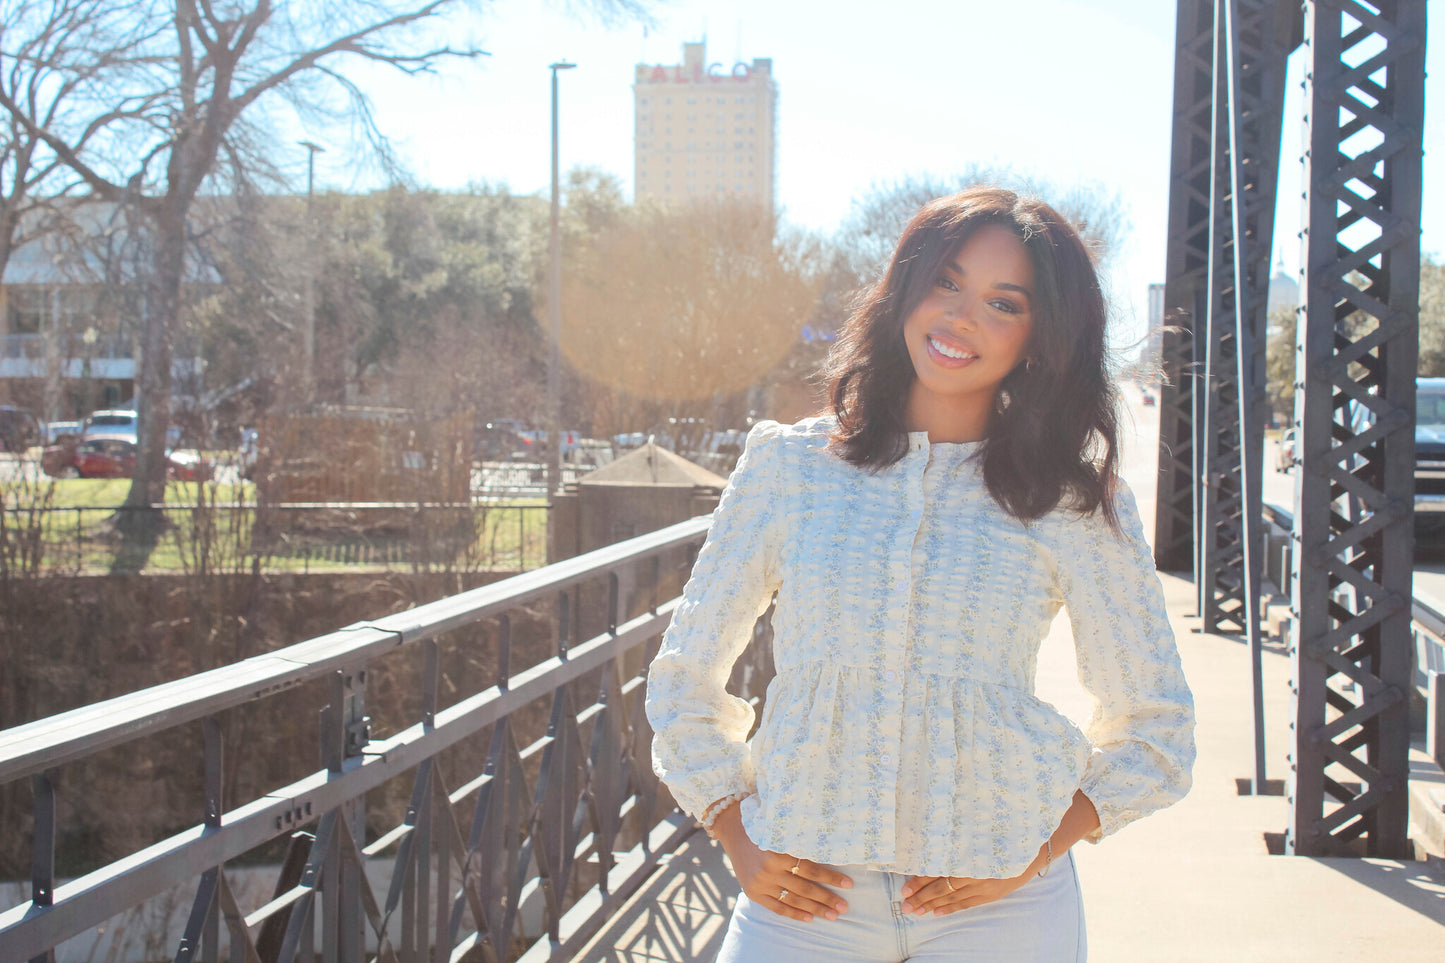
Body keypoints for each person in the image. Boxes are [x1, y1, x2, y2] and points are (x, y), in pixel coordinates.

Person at [645, 187, 1195, 962]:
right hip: (802, 890)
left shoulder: (1067, 500)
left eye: (1003, 302)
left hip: (1000, 904)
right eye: (946, 280)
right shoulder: (789, 468)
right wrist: (735, 832)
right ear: (904, 288)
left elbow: (1156, 721)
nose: (961, 317)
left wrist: (1033, 852)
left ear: (1037, 338)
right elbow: (683, 678)